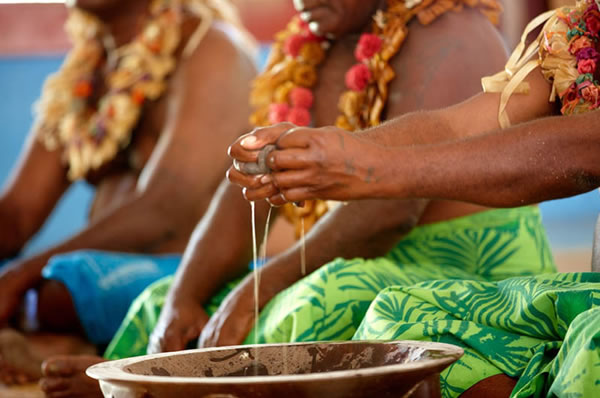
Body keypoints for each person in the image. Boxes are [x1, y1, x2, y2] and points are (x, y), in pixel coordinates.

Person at [44, 1, 562, 397]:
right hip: (352, 258)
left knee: (314, 302)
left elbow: (390, 210)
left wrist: (261, 283)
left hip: (454, 260)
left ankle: (185, 384)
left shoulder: (446, 29)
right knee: (166, 303)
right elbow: (248, 176)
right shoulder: (312, 44)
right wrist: (185, 290)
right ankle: (148, 379)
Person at [228, 1, 600, 396]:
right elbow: (457, 125)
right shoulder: (582, 29)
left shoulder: (449, 32)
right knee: (395, 322)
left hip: (527, 287)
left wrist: (370, 167)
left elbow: (583, 148)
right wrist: (336, 150)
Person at [0, 0, 256, 386]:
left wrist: (19, 277)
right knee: (49, 289)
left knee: (60, 289)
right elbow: (16, 215)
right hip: (109, 276)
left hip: (200, 272)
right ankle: (70, 348)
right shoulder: (88, 71)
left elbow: (168, 208)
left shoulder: (211, 47)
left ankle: (70, 348)